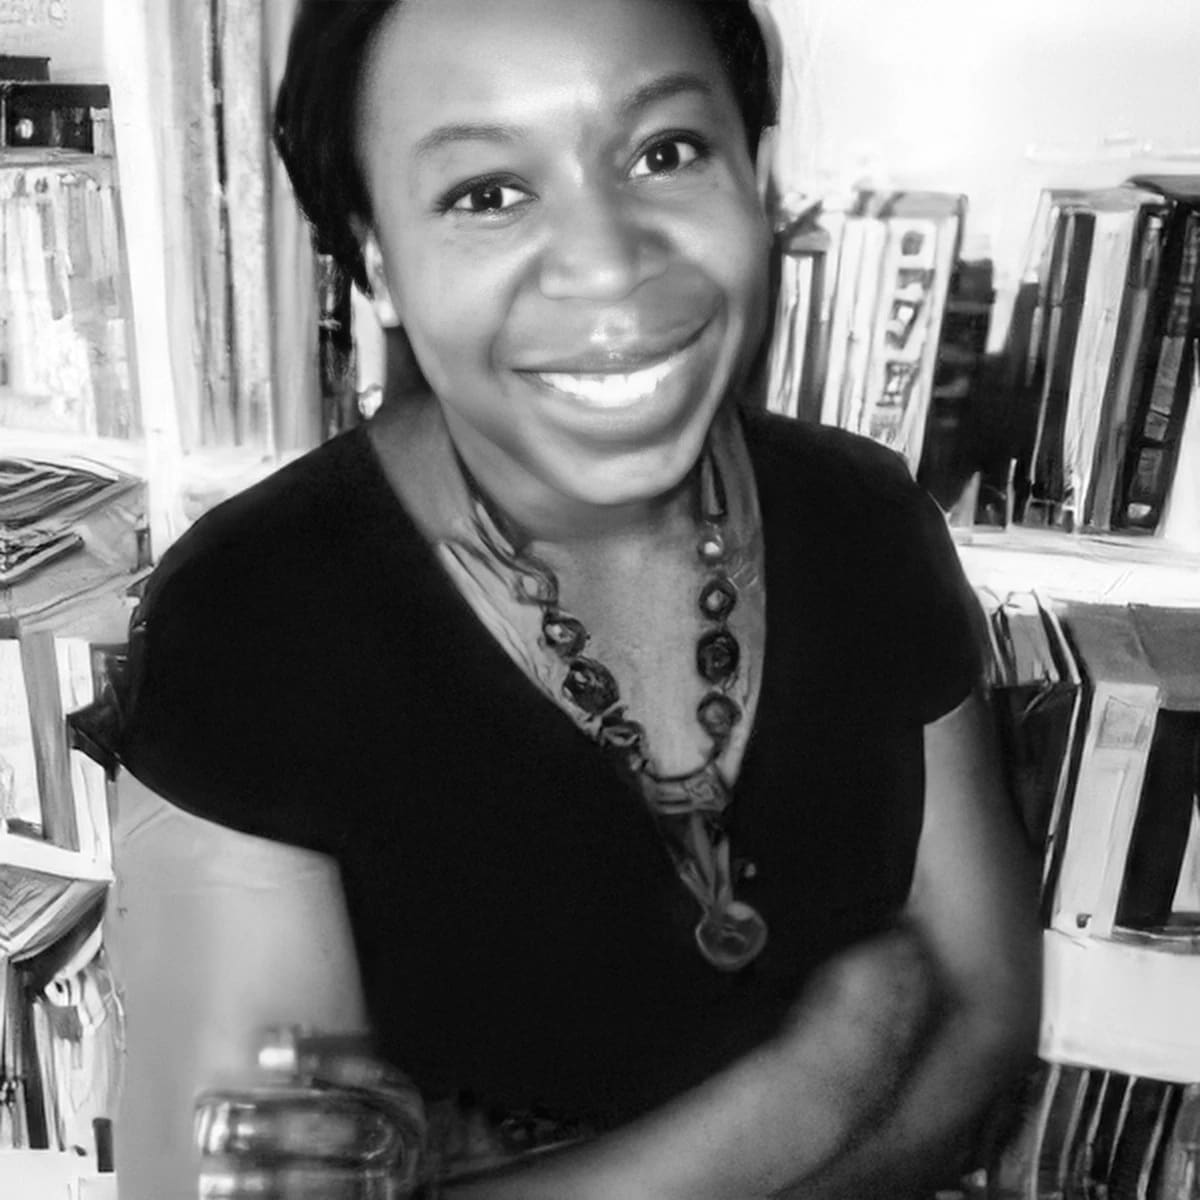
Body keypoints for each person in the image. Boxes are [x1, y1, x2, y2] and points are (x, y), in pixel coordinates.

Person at [90, 0, 1041, 1196]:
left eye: (664, 152)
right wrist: (811, 1090)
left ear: (752, 180)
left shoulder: (867, 516)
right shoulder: (248, 624)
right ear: (378, 261)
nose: (607, 261)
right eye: (487, 191)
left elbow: (987, 1012)